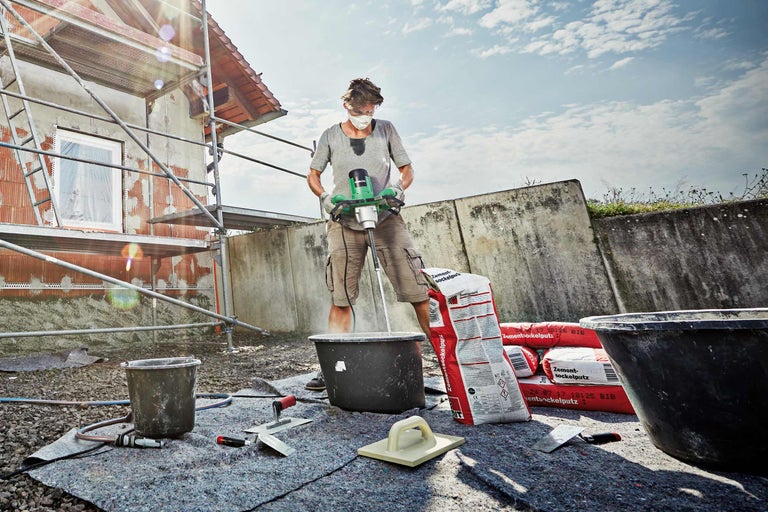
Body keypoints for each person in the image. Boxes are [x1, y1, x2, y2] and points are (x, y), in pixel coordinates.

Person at [305, 78, 430, 391]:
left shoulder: (386, 129)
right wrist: (325, 198)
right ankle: (331, 367)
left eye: (371, 110)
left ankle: (447, 359)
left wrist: (395, 188)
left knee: (418, 291)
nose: (366, 116)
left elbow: (407, 170)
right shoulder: (330, 136)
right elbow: (313, 175)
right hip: (344, 220)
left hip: (386, 216)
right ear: (347, 106)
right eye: (360, 110)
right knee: (341, 297)